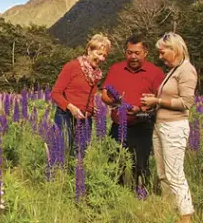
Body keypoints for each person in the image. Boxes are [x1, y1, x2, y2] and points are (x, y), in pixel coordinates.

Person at [141, 32, 197, 223]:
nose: (160, 56)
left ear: (175, 50)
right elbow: (168, 99)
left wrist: (157, 100)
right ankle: (168, 210)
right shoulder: (173, 70)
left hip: (174, 127)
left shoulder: (187, 70)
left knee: (175, 174)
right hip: (161, 126)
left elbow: (186, 102)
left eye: (162, 52)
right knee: (163, 174)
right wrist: (153, 103)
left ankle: (186, 217)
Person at [101, 34, 165, 195]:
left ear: (146, 52)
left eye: (137, 52)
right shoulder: (116, 69)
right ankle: (115, 195)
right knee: (115, 164)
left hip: (142, 125)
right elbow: (104, 94)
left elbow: (161, 100)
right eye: (129, 52)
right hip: (118, 125)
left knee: (140, 165)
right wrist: (113, 102)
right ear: (125, 52)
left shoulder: (155, 72)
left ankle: (141, 198)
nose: (133, 56)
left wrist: (141, 109)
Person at [51, 34, 111, 156]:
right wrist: (71, 107)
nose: (102, 58)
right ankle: (59, 175)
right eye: (99, 54)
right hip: (65, 116)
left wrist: (92, 109)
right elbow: (55, 93)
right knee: (61, 153)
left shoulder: (96, 74)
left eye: (105, 55)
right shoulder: (72, 66)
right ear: (89, 50)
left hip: (85, 119)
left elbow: (86, 96)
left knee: (80, 156)